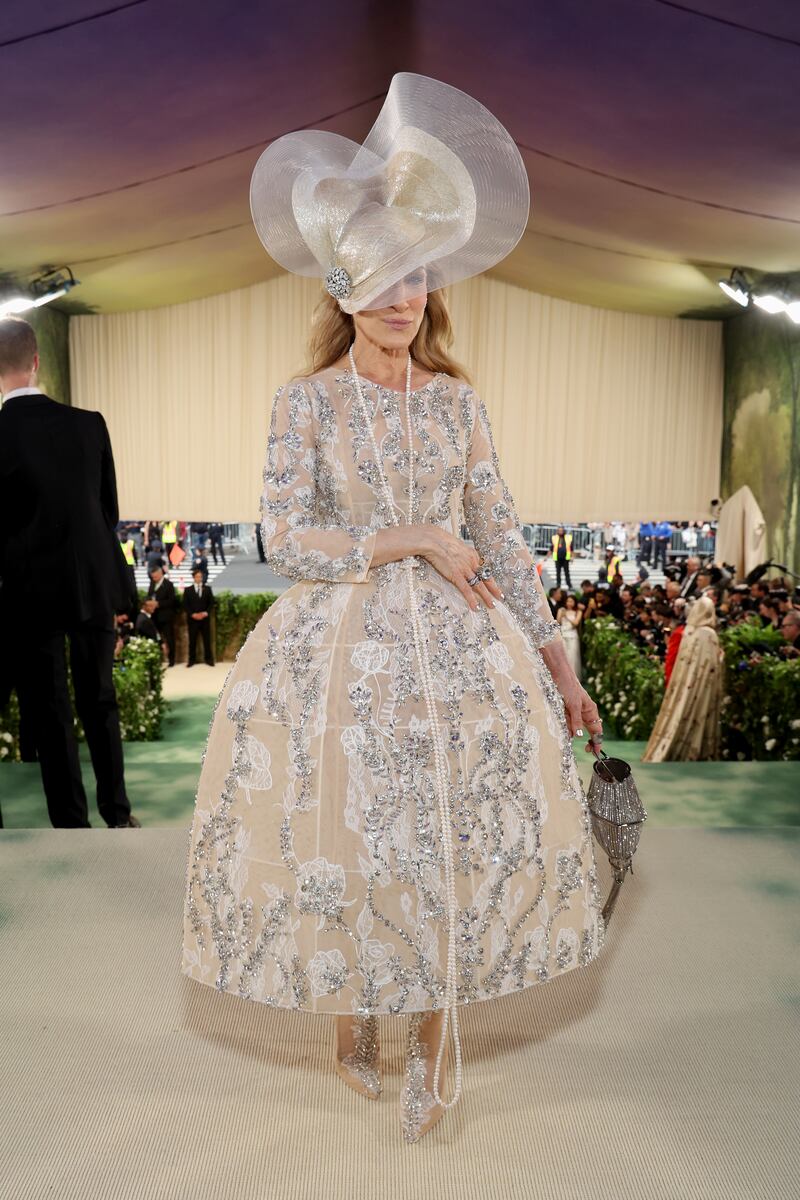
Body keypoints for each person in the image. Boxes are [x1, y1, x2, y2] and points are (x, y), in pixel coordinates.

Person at [181, 73, 607, 1146]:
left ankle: (426, 1035)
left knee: (443, 839)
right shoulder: (306, 401)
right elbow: (282, 537)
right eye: (377, 281)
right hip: (339, 658)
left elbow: (502, 537)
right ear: (341, 288)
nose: (400, 298)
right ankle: (353, 1005)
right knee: (358, 838)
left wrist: (558, 667)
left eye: (415, 277)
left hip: (464, 656)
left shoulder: (460, 403)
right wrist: (405, 537)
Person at [0, 316, 140, 829]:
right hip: (91, 583)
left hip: (28, 593)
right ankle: (118, 814)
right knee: (99, 701)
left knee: (51, 712)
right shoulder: (90, 423)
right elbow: (108, 511)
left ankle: (72, 826)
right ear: (36, 360)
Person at [642, 597, 722, 762]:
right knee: (699, 714)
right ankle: (696, 751)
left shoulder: (688, 632)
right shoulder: (709, 634)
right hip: (703, 684)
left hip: (684, 684)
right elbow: (713, 663)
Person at [183, 567, 215, 667]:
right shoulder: (188, 590)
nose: (199, 578)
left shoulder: (208, 589)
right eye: (197, 577)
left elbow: (211, 603)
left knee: (207, 640)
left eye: (200, 577)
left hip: (204, 619)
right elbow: (185, 605)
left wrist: (205, 613)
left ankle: (209, 659)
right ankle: (191, 660)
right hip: (193, 620)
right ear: (193, 578)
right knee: (192, 641)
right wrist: (193, 614)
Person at [147, 563, 177, 666]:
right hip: (154, 617)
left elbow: (172, 601)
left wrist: (158, 604)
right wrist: (149, 603)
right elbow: (149, 595)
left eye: (155, 576)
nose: (154, 578)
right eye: (152, 577)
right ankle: (158, 659)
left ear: (160, 574)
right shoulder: (152, 583)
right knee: (156, 639)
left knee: (169, 639)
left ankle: (171, 660)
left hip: (166, 617)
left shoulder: (169, 585)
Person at [555, 592, 582, 679]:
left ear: (574, 602)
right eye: (568, 601)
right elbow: (558, 623)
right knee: (562, 656)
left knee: (572, 656)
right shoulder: (561, 610)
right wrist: (561, 615)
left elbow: (576, 623)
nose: (569, 603)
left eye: (571, 601)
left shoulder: (578, 611)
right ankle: (564, 676)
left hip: (572, 636)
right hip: (563, 635)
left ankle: (573, 677)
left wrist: (566, 616)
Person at [551, 525, 572, 590]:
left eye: (561, 530)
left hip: (566, 558)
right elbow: (551, 548)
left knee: (566, 572)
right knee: (558, 572)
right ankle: (558, 585)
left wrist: (572, 557)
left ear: (564, 531)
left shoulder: (568, 537)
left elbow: (571, 548)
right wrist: (546, 557)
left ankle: (569, 585)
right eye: (559, 530)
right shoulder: (554, 537)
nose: (560, 532)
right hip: (557, 558)